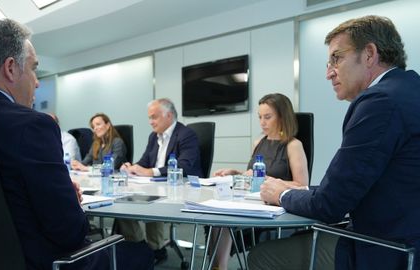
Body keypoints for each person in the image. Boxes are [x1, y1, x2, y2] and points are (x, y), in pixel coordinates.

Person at [0, 18, 154, 270]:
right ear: (10, 68)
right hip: (43, 261)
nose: (38, 82)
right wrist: (70, 202)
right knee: (141, 253)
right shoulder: (32, 126)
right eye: (33, 69)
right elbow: (69, 232)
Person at [251, 15, 420, 270]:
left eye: (336, 58)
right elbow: (353, 185)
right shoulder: (409, 89)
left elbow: (330, 205)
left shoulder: (379, 103)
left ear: (369, 54)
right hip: (407, 237)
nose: (329, 72)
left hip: (387, 251)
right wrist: (303, 191)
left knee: (261, 256)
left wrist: (282, 194)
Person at [210, 93, 309, 270]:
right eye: (260, 117)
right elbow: (253, 176)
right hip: (253, 199)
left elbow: (302, 185)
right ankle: (219, 267)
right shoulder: (258, 142)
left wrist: (272, 181)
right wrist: (236, 173)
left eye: (267, 117)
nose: (262, 122)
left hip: (276, 204)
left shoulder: (293, 145)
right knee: (217, 216)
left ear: (282, 116)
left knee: (223, 220)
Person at [118, 98, 202, 264]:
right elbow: (144, 161)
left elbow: (185, 166)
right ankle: (139, 246)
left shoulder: (186, 135)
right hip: (154, 184)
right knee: (121, 201)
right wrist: (132, 167)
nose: (150, 122)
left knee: (153, 201)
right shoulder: (153, 136)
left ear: (169, 115)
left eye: (154, 117)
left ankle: (156, 249)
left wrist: (151, 171)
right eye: (149, 118)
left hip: (177, 186)